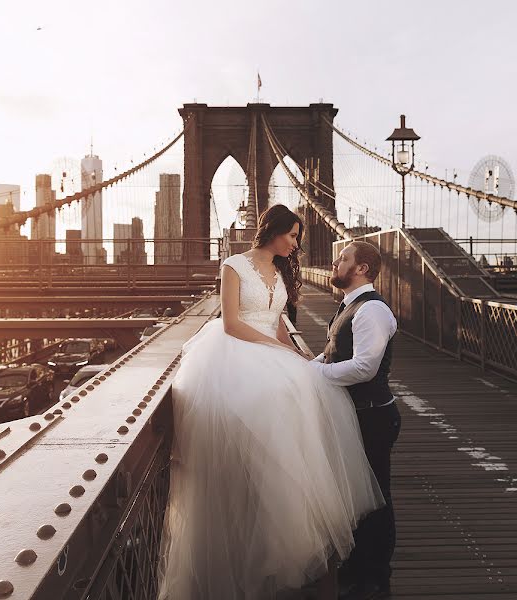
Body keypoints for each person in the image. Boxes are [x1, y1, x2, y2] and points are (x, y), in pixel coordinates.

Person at [157, 205, 384, 600]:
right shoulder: (233, 265)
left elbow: (277, 319)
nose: (296, 244)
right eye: (293, 235)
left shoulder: (279, 271)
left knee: (289, 445)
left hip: (268, 353)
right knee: (244, 454)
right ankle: (239, 549)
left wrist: (290, 352)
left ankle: (275, 546)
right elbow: (231, 322)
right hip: (233, 355)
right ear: (275, 231)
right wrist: (275, 350)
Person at [311, 241, 400, 600]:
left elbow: (365, 367)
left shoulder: (372, 311)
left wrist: (315, 377)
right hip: (356, 417)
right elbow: (333, 352)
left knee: (375, 498)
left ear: (362, 269)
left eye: (344, 258)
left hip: (374, 417)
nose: (335, 262)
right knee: (357, 497)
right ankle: (358, 565)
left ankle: (375, 577)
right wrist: (306, 367)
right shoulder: (349, 307)